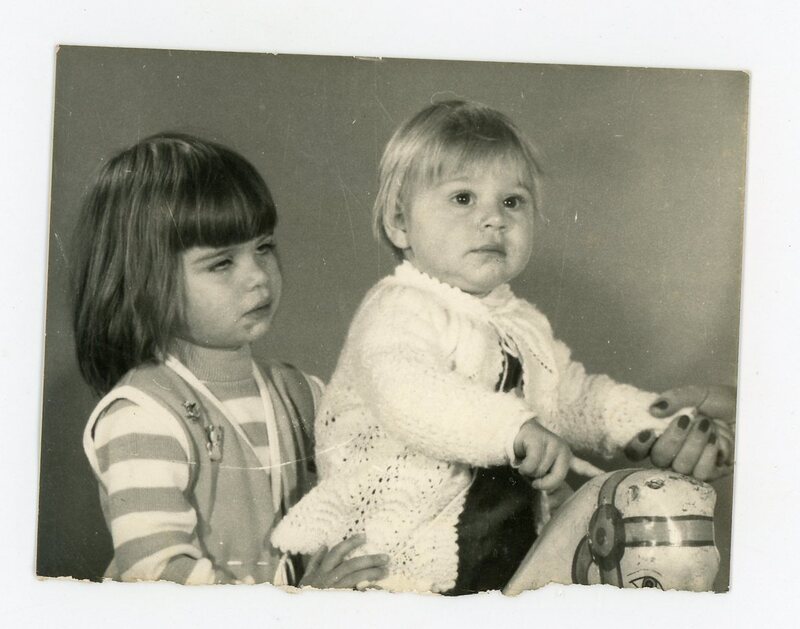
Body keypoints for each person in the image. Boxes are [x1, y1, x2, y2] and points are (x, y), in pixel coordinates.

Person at [271, 100, 735, 594]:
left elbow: (576, 399)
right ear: (400, 222)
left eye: (512, 202)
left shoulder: (522, 323)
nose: (493, 219)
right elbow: (409, 392)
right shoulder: (399, 307)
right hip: (396, 559)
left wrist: (652, 424)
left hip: (500, 557)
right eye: (463, 198)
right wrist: (511, 427)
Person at [76, 133, 388, 586]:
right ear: (145, 282)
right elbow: (157, 576)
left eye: (264, 247)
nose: (259, 276)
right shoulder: (142, 416)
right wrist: (298, 608)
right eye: (222, 263)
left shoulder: (300, 393)